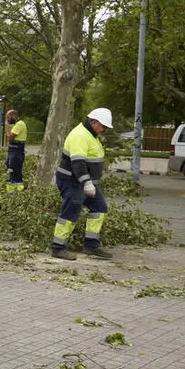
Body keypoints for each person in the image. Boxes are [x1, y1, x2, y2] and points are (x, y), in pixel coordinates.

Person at [50, 108, 114, 260]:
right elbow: (78, 163)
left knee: (99, 208)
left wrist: (89, 182)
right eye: (103, 126)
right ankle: (58, 248)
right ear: (94, 122)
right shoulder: (80, 135)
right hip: (72, 181)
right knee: (71, 211)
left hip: (84, 182)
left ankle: (91, 246)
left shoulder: (90, 135)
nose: (104, 130)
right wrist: (87, 182)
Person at [5, 109, 27, 191]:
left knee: (15, 170)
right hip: (13, 150)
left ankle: (18, 190)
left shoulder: (19, 124)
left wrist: (7, 127)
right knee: (9, 168)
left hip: (16, 151)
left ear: (14, 116)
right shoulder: (16, 125)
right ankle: (10, 190)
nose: (8, 120)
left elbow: (9, 139)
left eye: (8, 117)